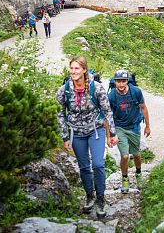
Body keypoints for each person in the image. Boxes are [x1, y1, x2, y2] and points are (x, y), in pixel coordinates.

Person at [56, 57, 118, 218]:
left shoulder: (96, 88)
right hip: (76, 133)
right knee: (84, 167)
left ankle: (100, 198)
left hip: (95, 130)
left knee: (97, 164)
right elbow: (60, 114)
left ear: (84, 70)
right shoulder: (64, 90)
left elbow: (107, 111)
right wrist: (65, 137)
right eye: (71, 68)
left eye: (77, 68)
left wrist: (112, 133)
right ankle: (89, 196)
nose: (73, 71)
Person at [108, 69, 151, 193]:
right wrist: (109, 134)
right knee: (125, 156)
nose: (121, 84)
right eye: (118, 82)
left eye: (123, 81)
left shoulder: (136, 91)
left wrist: (147, 126)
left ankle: (138, 173)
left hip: (134, 127)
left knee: (136, 154)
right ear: (115, 82)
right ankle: (125, 178)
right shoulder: (111, 96)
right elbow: (108, 116)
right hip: (119, 127)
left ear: (127, 81)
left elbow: (143, 107)